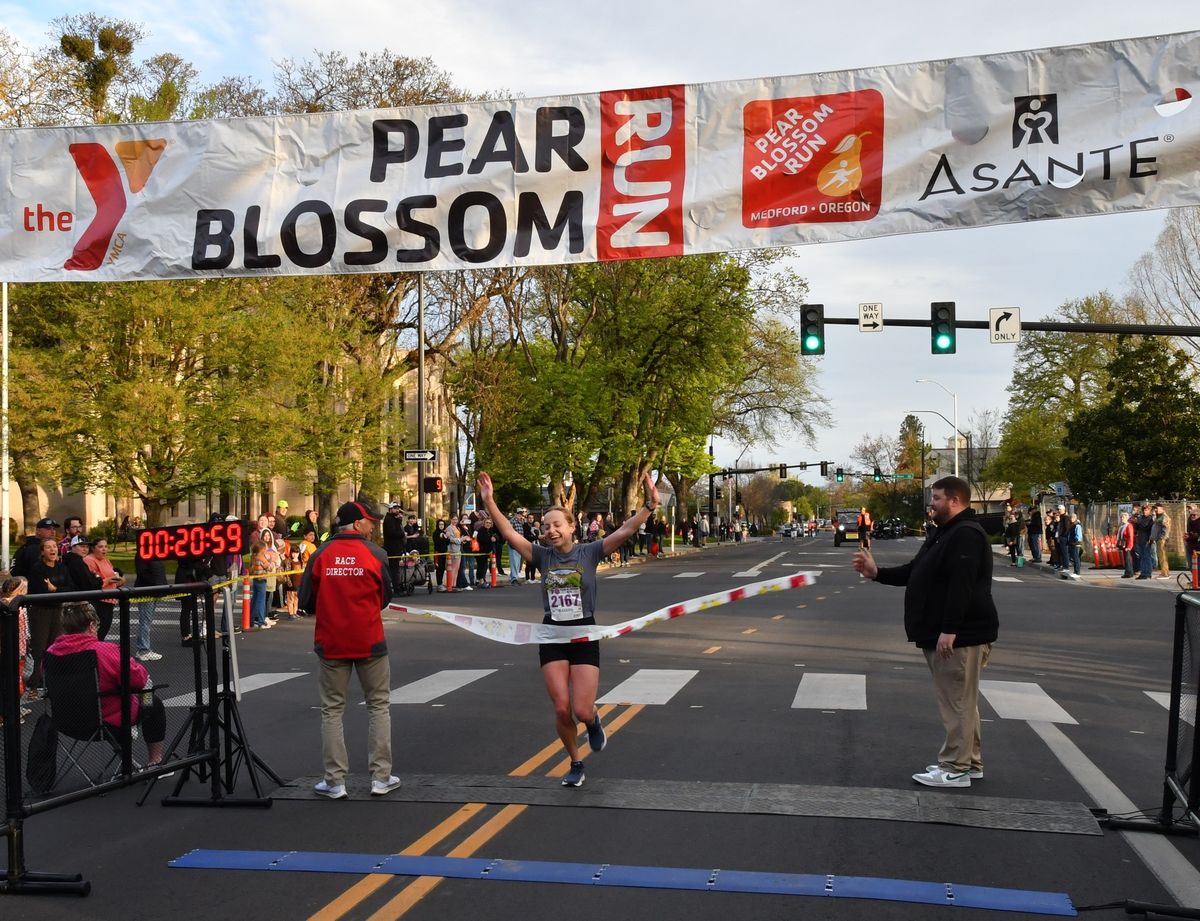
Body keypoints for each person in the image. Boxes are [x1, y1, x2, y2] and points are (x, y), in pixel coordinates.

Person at [478, 469, 661, 788]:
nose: (550, 530)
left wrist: (650, 505)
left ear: (572, 527)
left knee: (581, 708)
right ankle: (576, 762)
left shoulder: (589, 552)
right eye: (546, 526)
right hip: (551, 636)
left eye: (557, 525)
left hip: (584, 635)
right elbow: (508, 532)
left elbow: (627, 530)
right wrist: (490, 502)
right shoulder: (541, 556)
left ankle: (592, 721)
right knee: (562, 708)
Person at [852, 476, 998, 788]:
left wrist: (949, 630)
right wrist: (877, 573)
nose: (930, 503)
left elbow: (963, 586)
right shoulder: (945, 533)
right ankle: (969, 763)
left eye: (936, 498)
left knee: (956, 701)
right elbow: (916, 572)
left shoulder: (965, 535)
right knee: (963, 700)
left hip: (961, 636)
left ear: (955, 501)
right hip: (953, 633)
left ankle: (955, 767)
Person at [298, 500, 398, 800]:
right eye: (369, 522)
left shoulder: (321, 554)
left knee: (332, 710)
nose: (372, 526)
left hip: (331, 642)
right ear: (356, 524)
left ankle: (335, 780)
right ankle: (381, 777)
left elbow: (305, 599)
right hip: (369, 639)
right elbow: (385, 596)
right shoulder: (375, 554)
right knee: (378, 706)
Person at [44, 601, 167, 767]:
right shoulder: (104, 651)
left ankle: (127, 753)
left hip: (66, 722)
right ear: (92, 625)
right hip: (105, 720)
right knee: (152, 702)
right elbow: (139, 680)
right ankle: (155, 761)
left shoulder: (51, 652)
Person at [26, 538, 76, 692]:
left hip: (58, 609)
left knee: (55, 644)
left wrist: (56, 590)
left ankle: (52, 677)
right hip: (41, 611)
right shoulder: (37, 569)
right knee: (40, 645)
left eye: (54, 546)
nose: (52, 550)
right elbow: (41, 591)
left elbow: (71, 588)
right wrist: (58, 590)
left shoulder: (62, 568)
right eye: (48, 547)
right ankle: (35, 680)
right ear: (42, 552)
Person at [84, 537, 127, 641]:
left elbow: (112, 574)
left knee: (104, 631)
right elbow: (92, 582)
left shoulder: (105, 560)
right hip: (99, 600)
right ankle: (93, 654)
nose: (104, 549)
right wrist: (108, 580)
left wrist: (120, 581)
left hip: (110, 599)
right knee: (97, 632)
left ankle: (98, 653)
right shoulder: (89, 560)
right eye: (100, 547)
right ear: (93, 548)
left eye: (106, 547)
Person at [133, 540, 167, 660]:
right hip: (146, 593)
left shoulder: (156, 555)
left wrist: (162, 588)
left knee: (147, 621)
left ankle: (143, 648)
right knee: (145, 621)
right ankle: (143, 650)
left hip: (154, 592)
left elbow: (160, 574)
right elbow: (142, 573)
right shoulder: (142, 554)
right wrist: (156, 585)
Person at [383, 502, 407, 596]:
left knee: (396, 569)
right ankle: (396, 590)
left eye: (398, 508)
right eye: (395, 508)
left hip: (397, 547)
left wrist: (399, 520)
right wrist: (402, 534)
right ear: (390, 509)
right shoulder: (389, 519)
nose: (397, 510)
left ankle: (397, 588)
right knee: (394, 569)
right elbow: (392, 533)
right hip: (392, 547)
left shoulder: (394, 519)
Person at [1152, 503, 1172, 579]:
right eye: (1155, 508)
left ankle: (1165, 574)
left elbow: (1166, 529)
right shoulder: (1159, 517)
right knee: (1161, 557)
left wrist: (1162, 538)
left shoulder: (1164, 517)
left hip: (1162, 539)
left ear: (1162, 508)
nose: (1155, 510)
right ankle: (1164, 572)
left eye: (1157, 508)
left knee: (1163, 557)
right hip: (1159, 539)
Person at [1117, 511, 1136, 579]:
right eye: (1121, 517)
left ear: (1127, 518)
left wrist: (1129, 546)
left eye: (1123, 517)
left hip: (1127, 545)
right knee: (1126, 559)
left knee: (1128, 559)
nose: (1122, 518)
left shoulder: (1129, 525)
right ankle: (1128, 572)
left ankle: (1129, 573)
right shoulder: (1122, 526)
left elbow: (1131, 536)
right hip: (1123, 544)